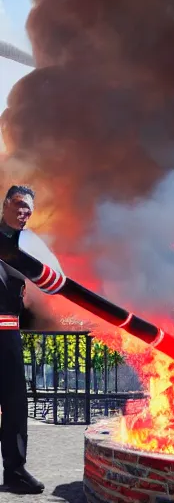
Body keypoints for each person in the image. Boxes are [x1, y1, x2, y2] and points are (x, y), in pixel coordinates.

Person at [0, 185, 44, 494]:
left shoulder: (27, 245)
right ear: (4, 204)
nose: (23, 211)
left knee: (15, 403)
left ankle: (14, 471)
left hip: (8, 332)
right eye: (18, 204)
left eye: (28, 207)